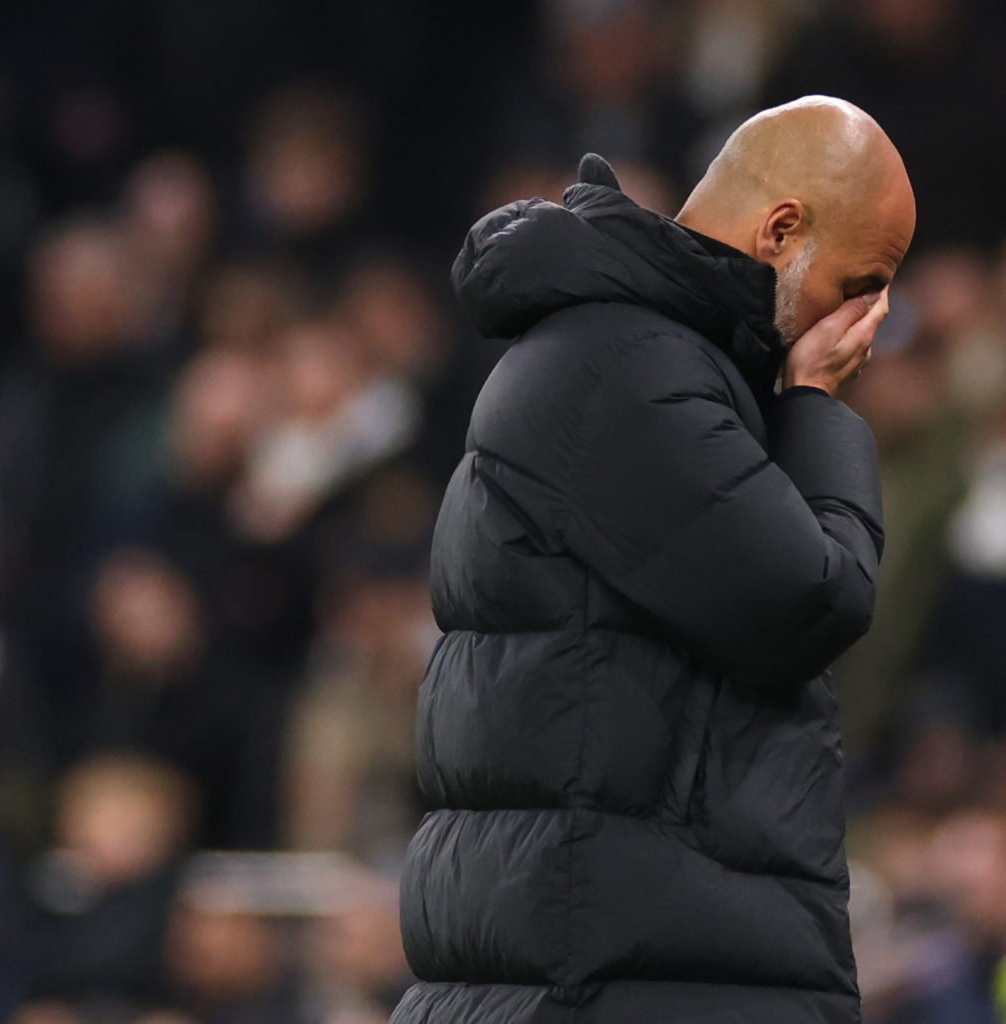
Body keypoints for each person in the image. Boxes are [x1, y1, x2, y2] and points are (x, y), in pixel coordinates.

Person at [393, 96, 915, 1023]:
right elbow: (812, 601)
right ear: (781, 228)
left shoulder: (653, 359)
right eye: (863, 281)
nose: (871, 319)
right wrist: (820, 406)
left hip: (625, 955)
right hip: (610, 973)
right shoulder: (627, 364)